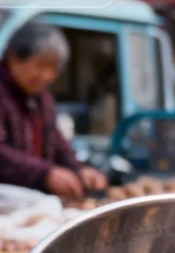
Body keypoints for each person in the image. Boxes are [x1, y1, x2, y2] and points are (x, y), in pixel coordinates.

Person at [0, 23, 106, 201]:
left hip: (32, 201)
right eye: (41, 65)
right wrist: (45, 173)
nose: (47, 76)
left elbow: (54, 140)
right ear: (13, 58)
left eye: (53, 68)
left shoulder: (41, 97)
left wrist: (79, 170)